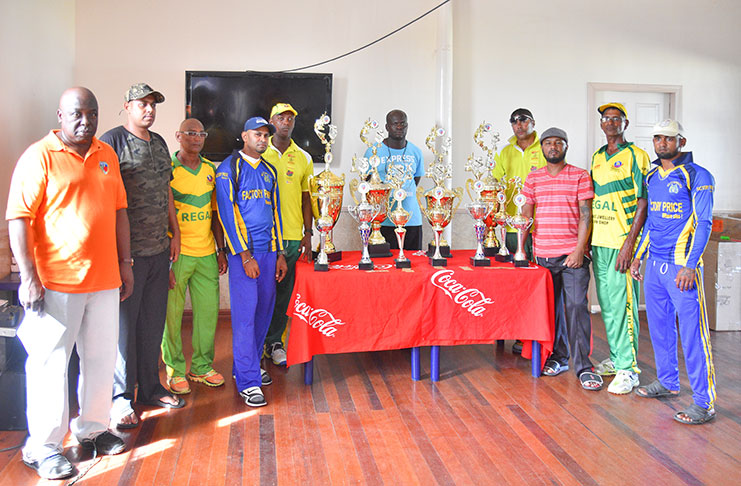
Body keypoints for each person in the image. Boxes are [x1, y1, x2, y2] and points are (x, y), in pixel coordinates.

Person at [6, 87, 130, 479]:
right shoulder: (39, 157)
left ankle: (93, 429)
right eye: (77, 114)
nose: (85, 121)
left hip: (105, 279)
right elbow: (18, 220)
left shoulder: (106, 154)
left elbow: (119, 211)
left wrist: (125, 264)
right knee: (50, 365)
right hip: (55, 283)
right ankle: (42, 446)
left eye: (92, 114)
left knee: (100, 360)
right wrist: (28, 277)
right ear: (60, 115)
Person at [100, 83, 184, 429]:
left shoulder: (161, 143)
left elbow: (166, 190)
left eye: (153, 104)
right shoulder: (111, 142)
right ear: (127, 107)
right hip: (127, 255)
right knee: (124, 329)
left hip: (158, 250)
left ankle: (150, 388)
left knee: (152, 325)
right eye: (142, 104)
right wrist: (119, 255)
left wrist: (174, 232)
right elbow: (104, 200)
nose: (148, 110)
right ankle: (120, 399)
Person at [630, 119, 717, 425]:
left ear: (680, 141)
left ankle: (704, 402)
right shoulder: (652, 175)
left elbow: (704, 223)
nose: (662, 143)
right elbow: (652, 223)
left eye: (668, 138)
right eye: (657, 138)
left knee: (694, 335)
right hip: (654, 264)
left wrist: (691, 265)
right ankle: (667, 382)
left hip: (682, 267)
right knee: (659, 328)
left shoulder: (698, 175)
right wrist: (638, 258)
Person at [521, 127, 602, 391]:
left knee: (576, 306)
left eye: (558, 143)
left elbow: (585, 215)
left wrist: (579, 250)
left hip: (571, 256)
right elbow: (526, 214)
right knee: (551, 310)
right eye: (548, 143)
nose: (553, 147)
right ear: (541, 148)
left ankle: (583, 366)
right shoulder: (533, 179)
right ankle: (558, 357)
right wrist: (521, 249)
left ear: (566, 147)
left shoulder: (579, 176)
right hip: (542, 256)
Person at [215, 116, 288, 407]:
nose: (263, 139)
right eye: (257, 134)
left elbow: (276, 215)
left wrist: (281, 253)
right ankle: (247, 382)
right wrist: (244, 256)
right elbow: (227, 215)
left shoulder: (270, 171)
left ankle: (247, 366)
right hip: (244, 255)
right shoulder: (228, 169)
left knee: (264, 313)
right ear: (245, 136)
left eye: (266, 135)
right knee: (245, 317)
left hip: (270, 252)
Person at [161, 118, 228, 394]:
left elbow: (215, 214)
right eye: (191, 133)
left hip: (206, 254)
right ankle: (175, 370)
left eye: (202, 134)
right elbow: (159, 213)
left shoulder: (212, 170)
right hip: (177, 254)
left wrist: (220, 250)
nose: (197, 138)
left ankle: (201, 367)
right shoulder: (167, 169)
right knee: (172, 316)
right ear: (178, 136)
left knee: (207, 314)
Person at [590, 102, 650, 394]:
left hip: (621, 243)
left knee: (625, 306)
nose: (611, 122)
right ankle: (616, 359)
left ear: (625, 124)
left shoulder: (636, 156)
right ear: (601, 124)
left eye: (616, 118)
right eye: (606, 118)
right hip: (600, 243)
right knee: (608, 307)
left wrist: (630, 245)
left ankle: (629, 370)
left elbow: (643, 202)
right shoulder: (598, 157)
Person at [492, 108, 548, 355]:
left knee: (539, 281)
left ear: (532, 123)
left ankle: (538, 333)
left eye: (523, 120)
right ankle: (517, 331)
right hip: (513, 227)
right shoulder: (505, 152)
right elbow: (495, 185)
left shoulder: (544, 148)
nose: (519, 124)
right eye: (514, 121)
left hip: (542, 225)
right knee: (516, 281)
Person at [262, 103, 314, 366]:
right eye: (281, 117)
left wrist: (308, 233)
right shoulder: (259, 150)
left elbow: (307, 198)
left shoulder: (303, 157)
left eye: (290, 118)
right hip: (263, 237)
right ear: (272, 121)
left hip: (293, 235)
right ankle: (256, 343)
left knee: (284, 293)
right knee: (263, 291)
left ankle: (275, 342)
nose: (286, 121)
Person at [363, 109, 425, 250]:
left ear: (407, 126)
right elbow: (366, 183)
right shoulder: (373, 151)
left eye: (402, 124)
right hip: (382, 221)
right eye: (395, 124)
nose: (399, 127)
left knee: (412, 265)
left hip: (411, 219)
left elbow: (415, 180)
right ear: (387, 127)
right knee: (383, 265)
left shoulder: (416, 152)